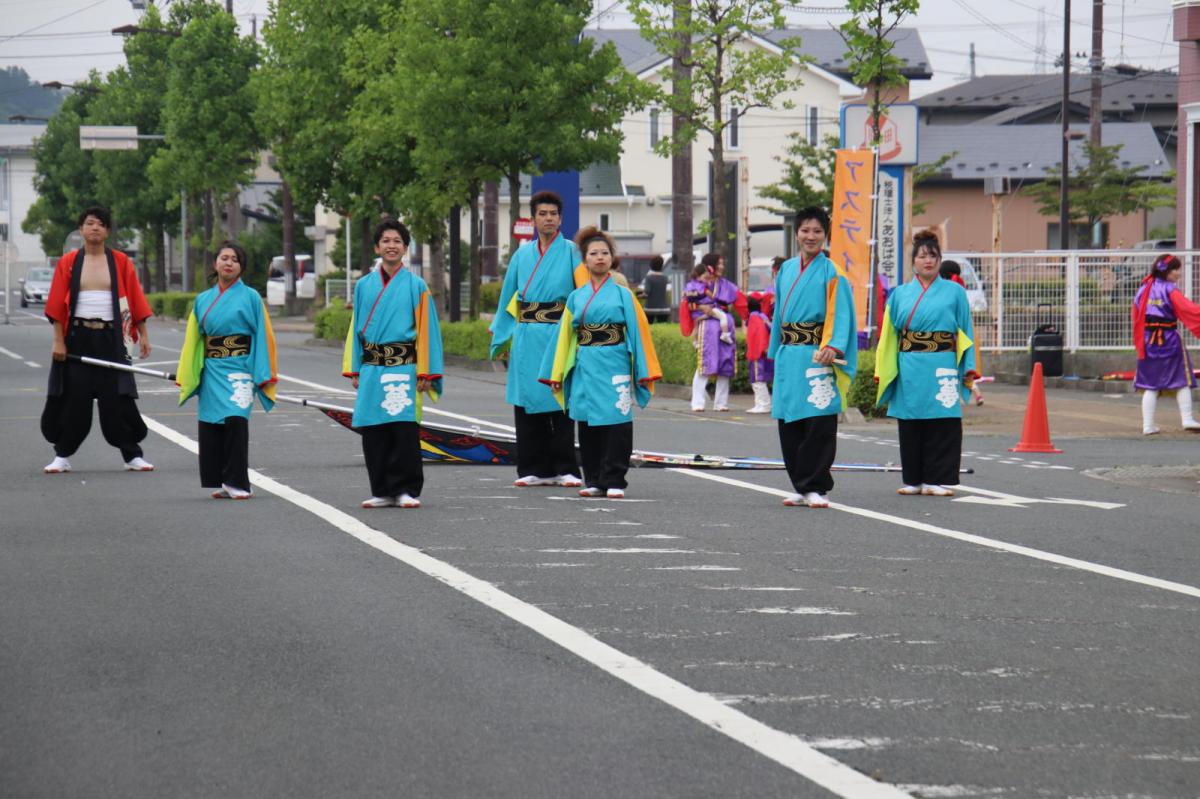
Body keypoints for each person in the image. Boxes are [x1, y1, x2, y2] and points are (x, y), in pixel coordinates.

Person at [541, 227, 661, 499]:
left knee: (617, 422)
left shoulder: (623, 295)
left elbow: (639, 333)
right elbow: (564, 338)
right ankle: (594, 479)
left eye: (604, 253)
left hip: (615, 363)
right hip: (585, 363)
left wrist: (643, 370)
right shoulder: (576, 297)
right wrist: (557, 370)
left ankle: (615, 478)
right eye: (593, 253)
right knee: (587, 422)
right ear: (585, 260)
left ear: (611, 258)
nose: (599, 258)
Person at [41, 206, 155, 474]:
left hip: (112, 339)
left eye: (100, 224)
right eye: (90, 223)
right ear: (80, 229)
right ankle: (62, 454)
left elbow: (136, 300)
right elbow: (57, 304)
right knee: (74, 400)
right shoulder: (69, 262)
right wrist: (59, 340)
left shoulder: (120, 262)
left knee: (118, 398)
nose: (95, 228)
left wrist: (144, 336)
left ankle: (132, 455)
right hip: (78, 337)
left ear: (107, 231)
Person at [343, 218, 443, 509]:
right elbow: (355, 328)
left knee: (402, 429)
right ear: (377, 247)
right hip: (373, 366)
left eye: (397, 241)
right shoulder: (363, 286)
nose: (391, 246)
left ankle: (405, 489)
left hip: (403, 367)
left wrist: (426, 370)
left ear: (405, 248)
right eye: (385, 241)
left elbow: (427, 330)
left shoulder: (416, 285)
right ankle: (381, 489)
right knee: (374, 429)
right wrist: (355, 366)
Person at [490, 190, 584, 487]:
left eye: (553, 214)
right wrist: (503, 336)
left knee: (562, 402)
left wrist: (582, 334)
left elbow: (582, 294)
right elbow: (509, 297)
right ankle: (531, 468)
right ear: (533, 219)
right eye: (542, 214)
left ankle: (566, 467)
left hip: (559, 334)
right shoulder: (522, 255)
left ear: (560, 219)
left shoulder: (572, 252)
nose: (548, 219)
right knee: (527, 401)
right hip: (527, 334)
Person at [875, 230, 978, 497]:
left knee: (942, 422)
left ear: (940, 260)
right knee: (910, 421)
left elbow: (965, 330)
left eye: (933, 256)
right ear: (913, 261)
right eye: (922, 256)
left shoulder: (955, 292)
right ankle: (913, 479)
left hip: (942, 362)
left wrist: (968, 366)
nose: (928, 261)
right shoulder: (899, 294)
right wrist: (884, 368)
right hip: (910, 364)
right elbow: (889, 335)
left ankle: (937, 479)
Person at [768, 207, 857, 508]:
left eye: (817, 231)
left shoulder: (833, 272)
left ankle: (816, 485)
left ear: (825, 235)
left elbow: (841, 312)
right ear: (796, 234)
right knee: (790, 421)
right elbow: (779, 313)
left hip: (817, 355)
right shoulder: (787, 270)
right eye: (805, 230)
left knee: (818, 421)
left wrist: (834, 346)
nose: (811, 236)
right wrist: (774, 352)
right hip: (789, 354)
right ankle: (800, 484)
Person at [176, 242, 277, 499]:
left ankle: (238, 482)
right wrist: (189, 372)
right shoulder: (203, 300)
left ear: (240, 267)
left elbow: (263, 336)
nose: (228, 263)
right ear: (215, 264)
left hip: (240, 369)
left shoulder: (252, 297)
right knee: (211, 424)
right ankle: (220, 480)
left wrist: (262, 372)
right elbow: (194, 340)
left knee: (235, 421)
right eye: (224, 258)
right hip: (212, 369)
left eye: (234, 259)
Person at [1131, 254, 1200, 434]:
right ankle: (1187, 419)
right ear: (1168, 272)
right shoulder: (1171, 290)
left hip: (1147, 340)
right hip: (1168, 339)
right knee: (1182, 380)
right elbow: (1189, 310)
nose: (1179, 273)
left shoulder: (1143, 288)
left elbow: (1136, 313)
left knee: (1150, 384)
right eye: (1176, 269)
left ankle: (1148, 425)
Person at [685, 253, 739, 411]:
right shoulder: (697, 284)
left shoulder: (727, 285)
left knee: (726, 362)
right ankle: (697, 402)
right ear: (710, 266)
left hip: (725, 324)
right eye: (719, 263)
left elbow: (737, 303)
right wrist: (701, 307)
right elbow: (688, 304)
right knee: (705, 363)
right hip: (706, 325)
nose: (722, 266)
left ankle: (721, 403)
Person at [939, 259, 984, 407]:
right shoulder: (960, 287)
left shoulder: (943, 289)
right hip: (966, 332)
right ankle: (976, 393)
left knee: (950, 368)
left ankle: (952, 399)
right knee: (965, 367)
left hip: (950, 335)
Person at [745, 291, 774, 414]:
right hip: (762, 351)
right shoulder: (763, 316)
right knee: (759, 380)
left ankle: (764, 404)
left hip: (757, 353)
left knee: (758, 379)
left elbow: (759, 335)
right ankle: (760, 404)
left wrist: (761, 349)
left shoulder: (754, 317)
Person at [640, 255, 671, 324]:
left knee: (649, 328)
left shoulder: (649, 278)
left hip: (650, 308)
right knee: (663, 329)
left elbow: (646, 293)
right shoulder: (665, 278)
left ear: (651, 265)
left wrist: (639, 296)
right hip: (664, 308)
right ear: (662, 265)